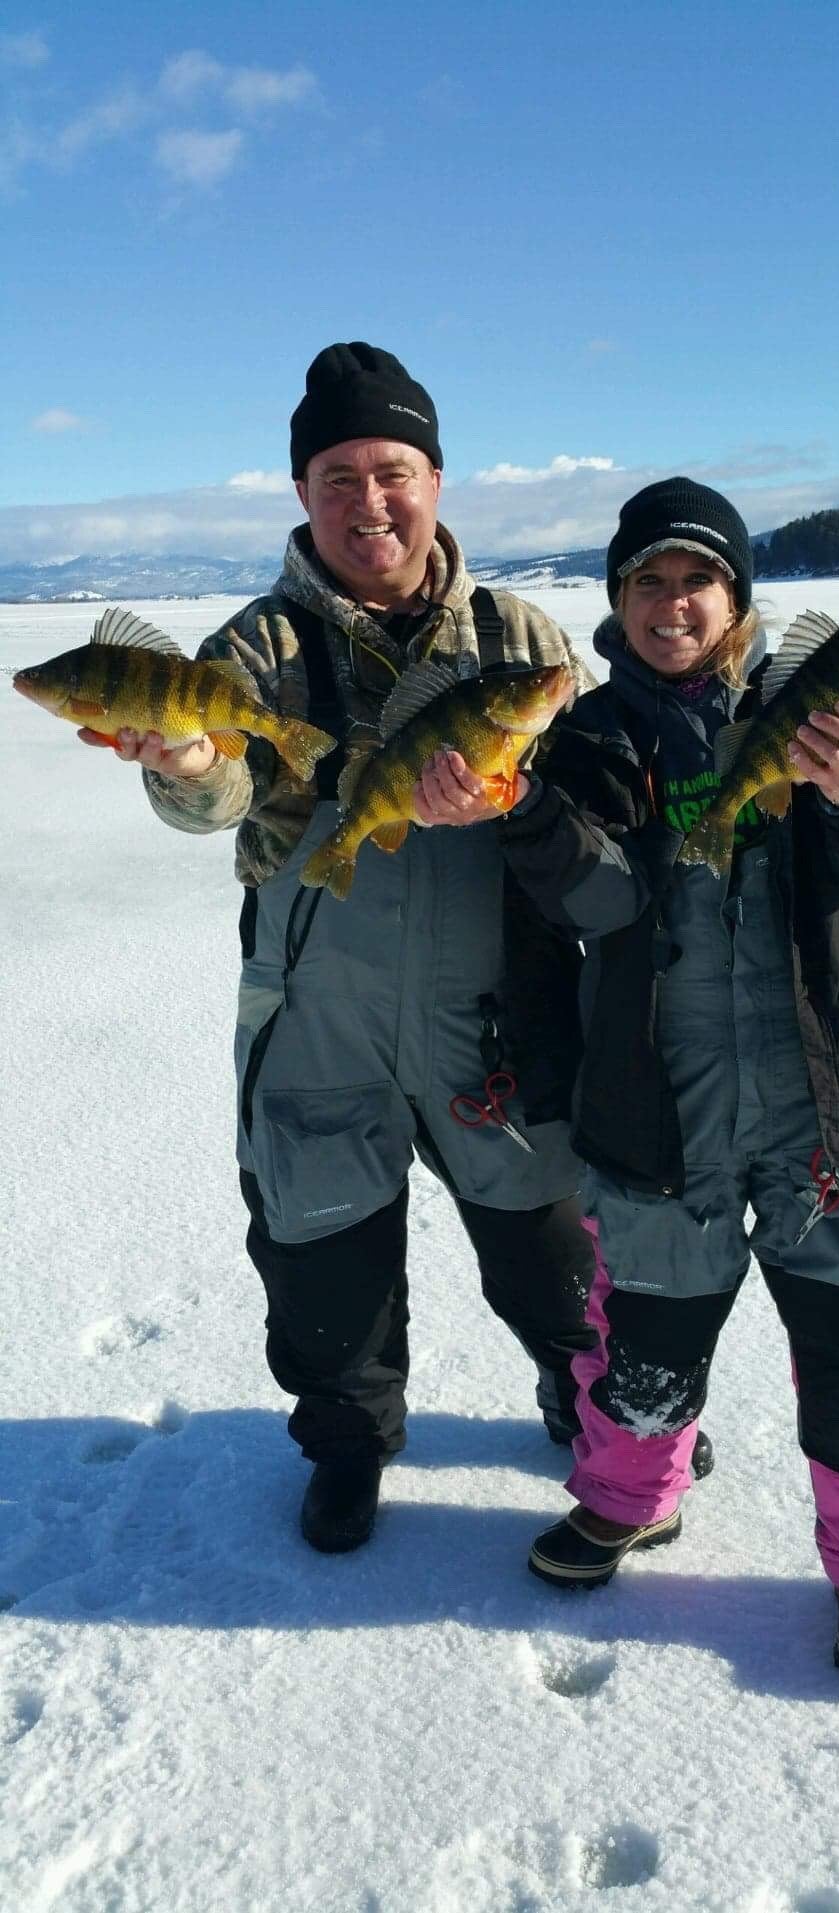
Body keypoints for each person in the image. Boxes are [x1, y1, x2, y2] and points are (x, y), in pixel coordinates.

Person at [76, 342, 611, 1554]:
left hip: (494, 1001)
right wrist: (190, 763)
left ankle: (588, 1396)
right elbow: (217, 794)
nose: (369, 501)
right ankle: (350, 1442)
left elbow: (587, 797)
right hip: (319, 999)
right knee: (324, 1253)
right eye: (337, 477)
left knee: (550, 1237)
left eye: (392, 471)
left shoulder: (517, 634)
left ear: (435, 480)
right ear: (302, 492)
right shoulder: (256, 647)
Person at [489, 476, 839, 1687]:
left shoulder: (808, 702)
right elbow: (595, 900)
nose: (672, 601)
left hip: (832, 1099)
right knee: (645, 1337)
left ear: (735, 597)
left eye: (697, 578)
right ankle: (629, 1495)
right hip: (659, 1105)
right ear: (616, 599)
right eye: (647, 579)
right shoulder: (585, 736)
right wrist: (525, 811)